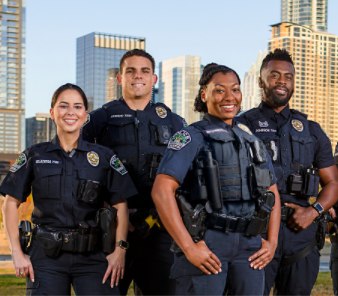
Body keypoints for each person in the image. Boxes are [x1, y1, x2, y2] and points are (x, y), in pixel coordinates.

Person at [152, 63, 281, 296]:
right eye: (220, 90)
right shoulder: (190, 136)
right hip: (207, 242)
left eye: (235, 89)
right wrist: (189, 247)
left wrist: (272, 243)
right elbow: (161, 191)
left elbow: (272, 193)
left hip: (249, 246)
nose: (229, 97)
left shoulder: (252, 141)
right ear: (204, 94)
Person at [0, 83, 137, 296]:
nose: (70, 112)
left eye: (77, 106)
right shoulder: (34, 155)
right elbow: (10, 203)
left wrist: (119, 251)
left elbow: (120, 205)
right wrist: (16, 253)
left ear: (85, 115)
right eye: (63, 106)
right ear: (52, 113)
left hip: (94, 256)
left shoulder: (104, 157)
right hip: (45, 257)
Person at [82, 49, 185, 295]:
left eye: (144, 71)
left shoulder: (174, 122)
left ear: (154, 79)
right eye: (131, 71)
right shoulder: (98, 120)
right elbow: (78, 168)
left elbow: (187, 175)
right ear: (120, 78)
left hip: (159, 229)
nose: (137, 76)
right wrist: (107, 207)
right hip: (110, 229)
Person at [236, 48, 338, 295]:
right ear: (261, 81)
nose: (282, 81)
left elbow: (333, 184)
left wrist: (314, 212)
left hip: (300, 235)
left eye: (288, 77)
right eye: (275, 75)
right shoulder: (241, 125)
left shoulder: (312, 130)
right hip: (254, 233)